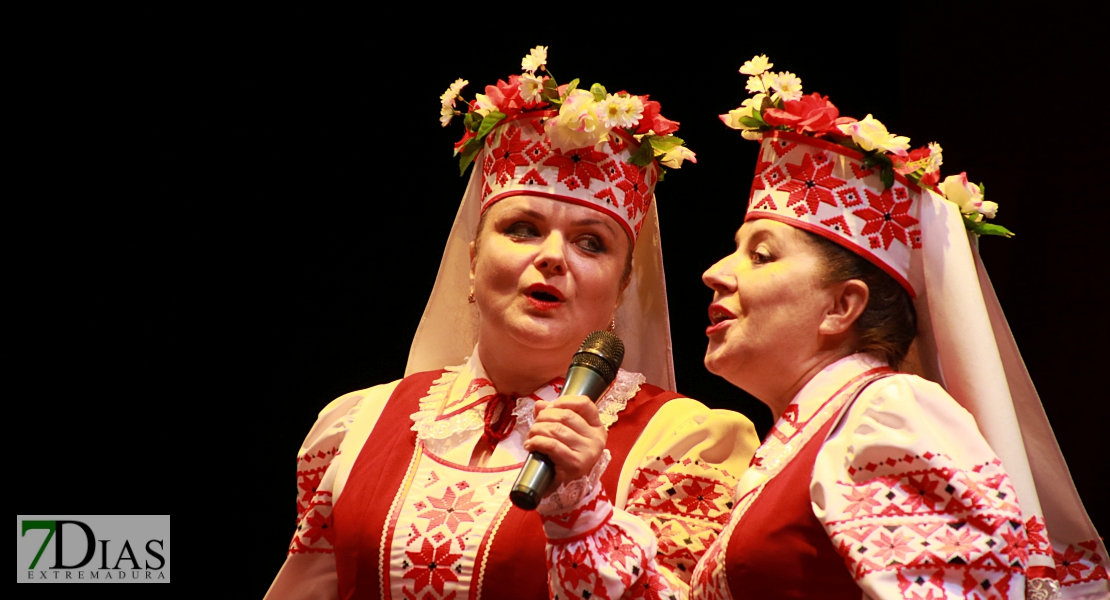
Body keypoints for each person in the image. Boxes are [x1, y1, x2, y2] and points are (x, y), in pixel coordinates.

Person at [532, 55, 1109, 599]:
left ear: (841, 307)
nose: (713, 274)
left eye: (761, 255)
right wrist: (579, 509)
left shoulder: (890, 415)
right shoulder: (803, 442)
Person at [263, 47, 759, 599]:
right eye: (522, 228)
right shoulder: (355, 424)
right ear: (473, 262)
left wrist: (583, 508)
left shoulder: (685, 441)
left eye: (590, 243)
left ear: (621, 289)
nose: (552, 257)